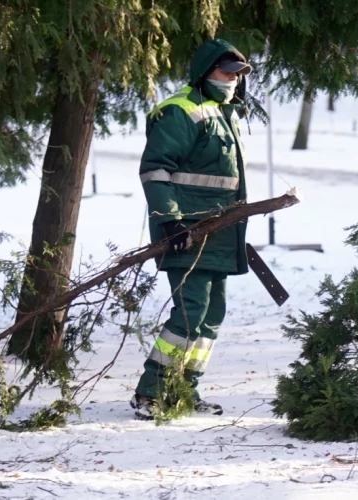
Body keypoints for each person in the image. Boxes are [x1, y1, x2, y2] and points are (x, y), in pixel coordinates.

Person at [129, 39, 253, 420]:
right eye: (225, 72)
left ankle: (184, 390)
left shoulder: (226, 114)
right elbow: (156, 170)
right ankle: (151, 393)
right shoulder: (180, 112)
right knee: (190, 311)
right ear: (205, 72)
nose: (231, 80)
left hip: (220, 234)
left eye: (236, 75)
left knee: (212, 313)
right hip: (186, 233)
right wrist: (170, 221)